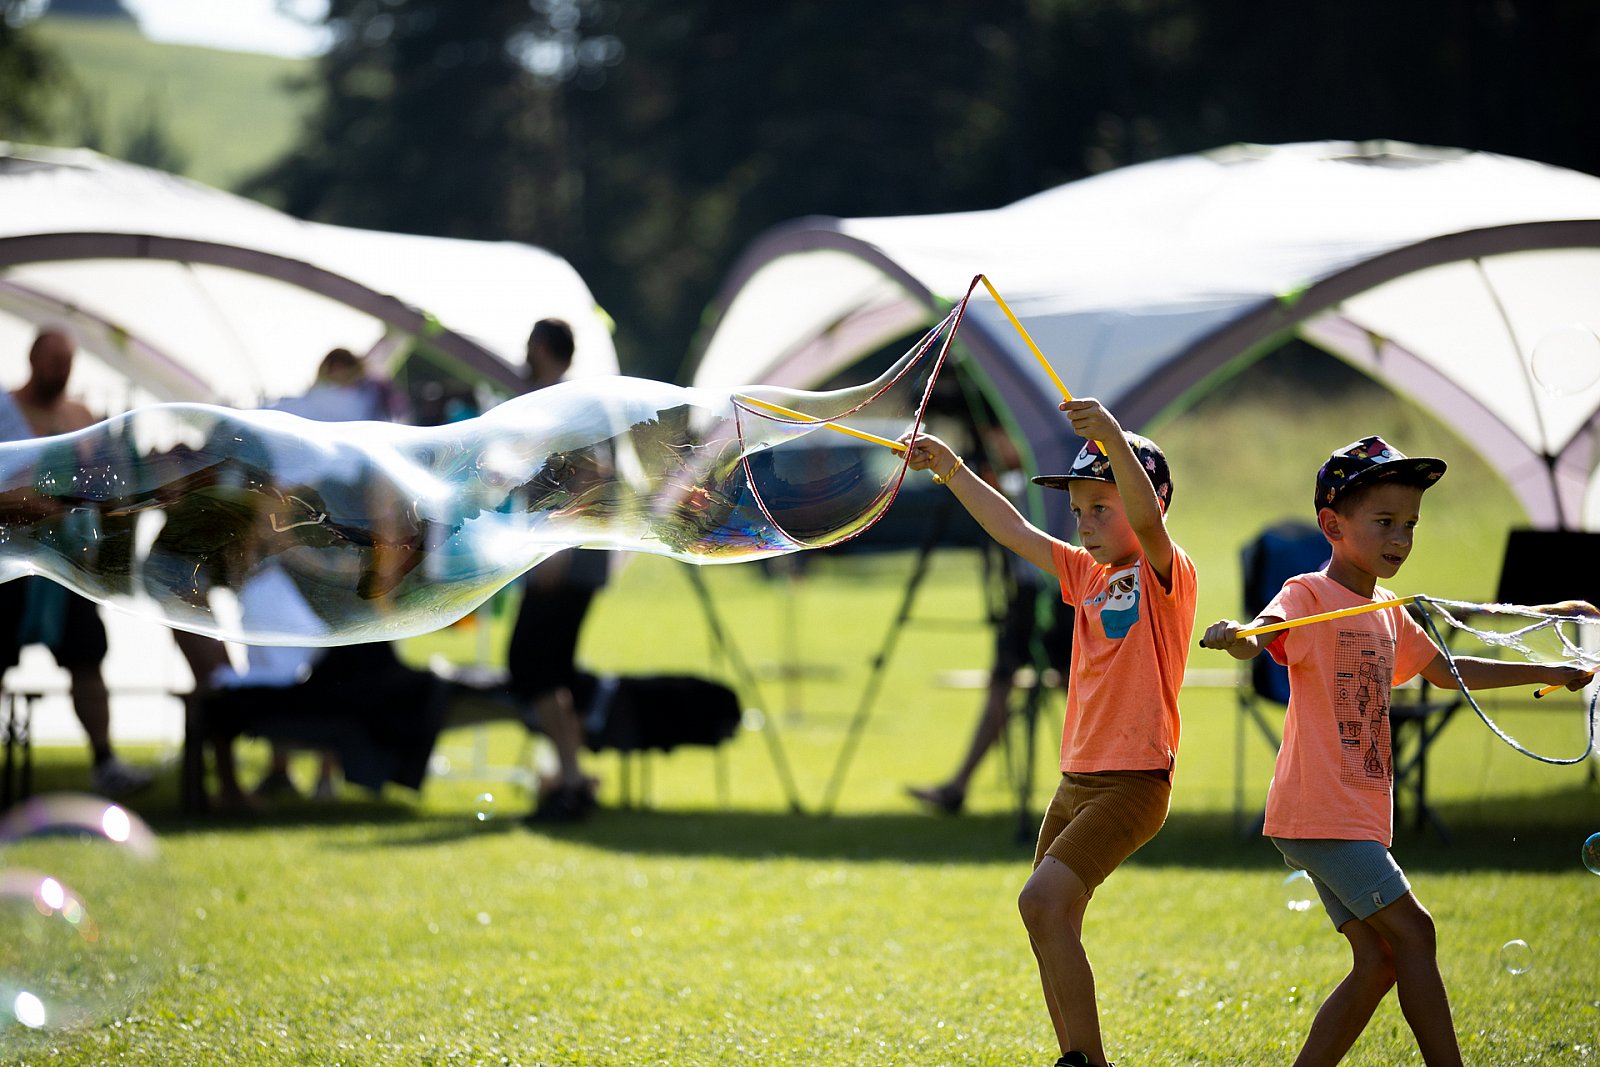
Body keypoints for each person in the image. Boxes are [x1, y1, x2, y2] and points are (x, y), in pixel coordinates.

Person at [1200, 435, 1590, 1067]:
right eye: (1384, 522)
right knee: (1416, 932)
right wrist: (1236, 636)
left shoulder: (1388, 609)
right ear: (1332, 525)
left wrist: (1550, 668)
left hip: (1349, 815)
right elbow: (1263, 635)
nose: (1401, 538)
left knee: (1379, 960)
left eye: (1410, 524)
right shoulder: (1307, 595)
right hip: (1321, 812)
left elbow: (1446, 670)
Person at [903, 398, 1197, 1067]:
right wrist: (951, 468)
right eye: (1079, 510)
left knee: (1040, 900)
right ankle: (1074, 1055)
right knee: (1046, 916)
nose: (1086, 523)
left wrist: (1112, 436)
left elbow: (1147, 519)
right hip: (1076, 781)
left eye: (1102, 507)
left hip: (1133, 782)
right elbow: (1013, 529)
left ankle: (1087, 1062)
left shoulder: (1164, 573)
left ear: (1146, 504)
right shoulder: (1086, 574)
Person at [0, 327, 153, 798]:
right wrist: (35, 505)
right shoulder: (4, 410)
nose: (60, 372)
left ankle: (105, 762)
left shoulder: (79, 415)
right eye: (53, 361)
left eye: (66, 363)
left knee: (87, 658)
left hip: (66, 565)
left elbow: (102, 485)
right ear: (32, 359)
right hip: (7, 564)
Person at [907, 420, 1073, 815]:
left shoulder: (1051, 477)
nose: (997, 445)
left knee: (1079, 690)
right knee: (1001, 683)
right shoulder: (1013, 480)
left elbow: (1016, 527)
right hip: (1026, 596)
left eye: (1001, 435)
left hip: (1064, 597)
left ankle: (1105, 782)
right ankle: (958, 785)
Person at [506, 318, 603, 823]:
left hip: (564, 559)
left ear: (541, 348)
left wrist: (557, 544)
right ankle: (572, 780)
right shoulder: (552, 401)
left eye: (529, 345)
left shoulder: (566, 403)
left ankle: (570, 778)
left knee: (529, 662)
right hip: (566, 557)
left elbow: (592, 472)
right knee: (552, 670)